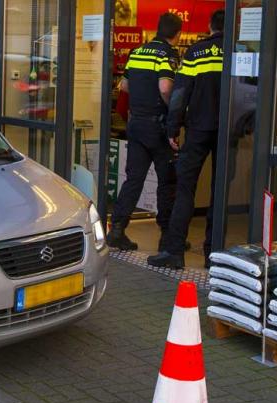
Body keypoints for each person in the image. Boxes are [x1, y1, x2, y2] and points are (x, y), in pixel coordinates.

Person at [148, 9, 225, 269]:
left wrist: (173, 128)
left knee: (185, 188)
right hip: (227, 133)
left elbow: (179, 94)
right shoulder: (241, 52)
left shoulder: (196, 52)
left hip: (198, 129)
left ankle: (174, 251)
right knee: (220, 191)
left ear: (210, 25)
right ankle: (213, 256)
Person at [106, 13, 182, 251]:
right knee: (166, 181)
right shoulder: (168, 54)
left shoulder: (137, 52)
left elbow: (125, 86)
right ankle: (167, 236)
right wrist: (175, 111)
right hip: (157, 125)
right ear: (177, 34)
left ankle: (117, 229)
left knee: (134, 179)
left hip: (136, 124)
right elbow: (165, 87)